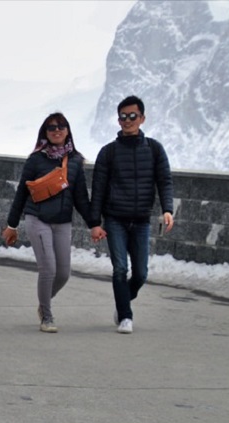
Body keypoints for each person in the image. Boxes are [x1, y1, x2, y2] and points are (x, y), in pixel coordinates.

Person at [3, 112, 105, 333]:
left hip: (62, 222)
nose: (56, 130)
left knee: (63, 273)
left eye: (61, 126)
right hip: (37, 218)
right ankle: (47, 316)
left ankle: (43, 303)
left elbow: (81, 198)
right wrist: (12, 225)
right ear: (45, 133)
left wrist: (94, 224)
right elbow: (21, 192)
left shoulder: (76, 161)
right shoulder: (36, 159)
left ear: (68, 130)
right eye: (51, 128)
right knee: (48, 268)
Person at [90, 95, 174, 334]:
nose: (127, 120)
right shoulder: (108, 152)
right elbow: (98, 189)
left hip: (141, 220)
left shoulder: (155, 149)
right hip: (115, 218)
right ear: (118, 121)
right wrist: (95, 222)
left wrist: (167, 209)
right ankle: (125, 316)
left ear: (142, 118)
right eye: (123, 117)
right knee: (119, 269)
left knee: (141, 274)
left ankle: (122, 301)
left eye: (132, 116)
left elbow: (164, 181)